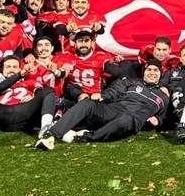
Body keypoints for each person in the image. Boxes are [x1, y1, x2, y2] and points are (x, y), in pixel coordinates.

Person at [37, 60, 170, 146]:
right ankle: (51, 134)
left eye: (155, 70)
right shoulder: (131, 82)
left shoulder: (163, 97)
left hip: (132, 120)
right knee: (87, 104)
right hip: (114, 109)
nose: (152, 73)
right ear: (144, 72)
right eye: (149, 70)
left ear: (160, 73)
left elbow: (163, 117)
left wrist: (157, 120)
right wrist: (102, 96)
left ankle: (88, 136)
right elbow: (115, 91)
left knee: (125, 119)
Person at [0, 55, 59, 149]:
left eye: (15, 67)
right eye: (8, 67)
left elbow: (42, 94)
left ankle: (45, 130)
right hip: (5, 116)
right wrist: (19, 74)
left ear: (19, 68)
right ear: (1, 69)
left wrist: (33, 97)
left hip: (26, 113)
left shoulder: (29, 82)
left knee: (48, 90)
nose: (12, 70)